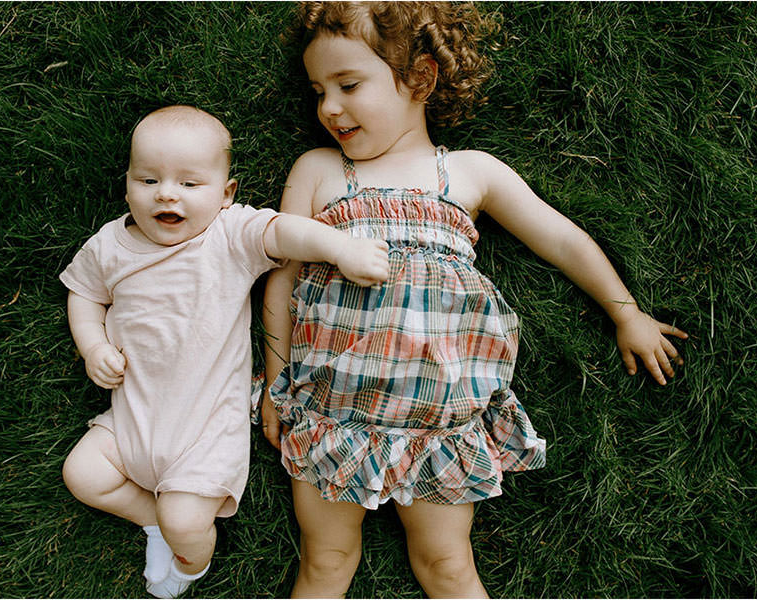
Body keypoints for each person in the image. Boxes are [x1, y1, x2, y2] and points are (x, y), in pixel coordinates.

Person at [261, 3, 689, 598]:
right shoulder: (317, 169)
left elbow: (560, 239)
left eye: (349, 85)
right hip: (335, 416)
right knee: (326, 564)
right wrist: (277, 385)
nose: (328, 107)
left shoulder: (469, 173)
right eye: (318, 90)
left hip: (442, 425)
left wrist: (625, 311)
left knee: (448, 567)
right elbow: (282, 280)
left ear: (420, 78)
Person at [59, 105, 389, 599]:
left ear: (225, 194)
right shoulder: (110, 246)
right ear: (127, 184)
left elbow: (283, 231)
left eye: (190, 184)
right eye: (148, 180)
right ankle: (152, 522)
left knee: (187, 521)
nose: (167, 193)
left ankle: (189, 561)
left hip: (204, 435)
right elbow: (84, 294)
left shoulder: (227, 235)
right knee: (82, 474)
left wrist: (340, 248)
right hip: (129, 422)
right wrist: (93, 345)